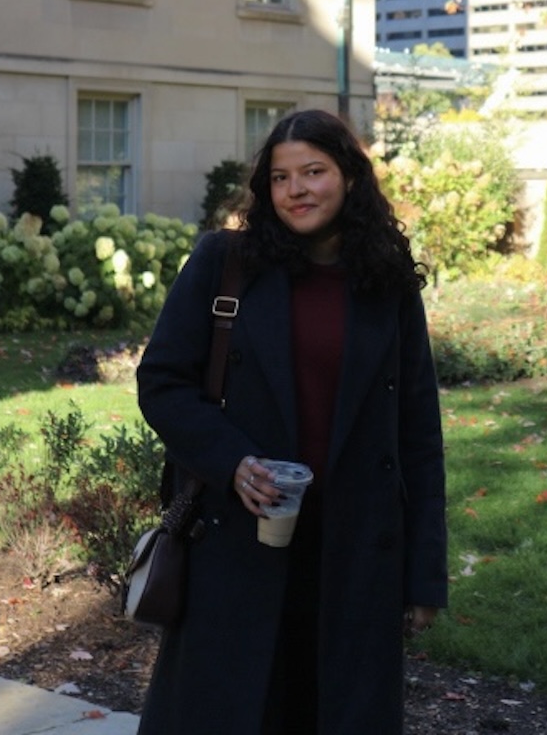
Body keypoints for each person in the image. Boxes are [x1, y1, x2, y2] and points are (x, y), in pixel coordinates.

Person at [136, 109, 447, 734]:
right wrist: (233, 463)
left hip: (353, 551)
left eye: (313, 172)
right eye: (280, 178)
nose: (295, 190)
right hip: (240, 543)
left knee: (335, 711)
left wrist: (423, 575)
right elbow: (162, 383)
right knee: (233, 711)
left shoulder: (386, 281)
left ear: (350, 178)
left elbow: (418, 431)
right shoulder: (226, 262)